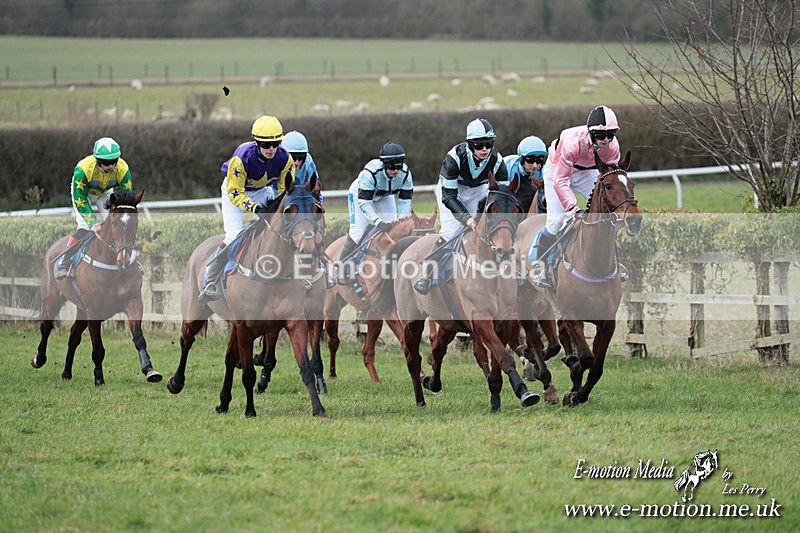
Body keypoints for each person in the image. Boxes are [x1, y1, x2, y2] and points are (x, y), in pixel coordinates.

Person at [198, 115, 295, 303]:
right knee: (234, 236)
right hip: (234, 191)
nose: (271, 149)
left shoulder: (285, 159)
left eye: (275, 144)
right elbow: (235, 192)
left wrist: (277, 208)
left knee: (281, 227)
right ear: (257, 142)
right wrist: (255, 208)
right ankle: (210, 280)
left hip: (262, 191)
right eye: (266, 145)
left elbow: (285, 191)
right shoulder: (242, 158)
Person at [413, 118, 509, 295]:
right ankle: (426, 275)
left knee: (489, 228)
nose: (485, 150)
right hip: (452, 192)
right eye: (479, 145)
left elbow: (503, 194)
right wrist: (467, 219)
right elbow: (449, 197)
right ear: (469, 144)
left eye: (488, 144)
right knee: (451, 232)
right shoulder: (454, 158)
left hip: (479, 190)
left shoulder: (497, 159)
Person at [533, 105, 621, 288]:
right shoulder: (573, 142)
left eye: (610, 135)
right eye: (600, 135)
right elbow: (560, 180)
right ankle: (539, 266)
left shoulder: (613, 146)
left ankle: (613, 260)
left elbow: (611, 178)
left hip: (585, 171)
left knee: (606, 211)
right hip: (557, 171)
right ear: (591, 132)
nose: (605, 140)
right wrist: (573, 208)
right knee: (556, 221)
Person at [335, 141, 413, 284]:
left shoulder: (405, 174)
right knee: (357, 232)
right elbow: (364, 203)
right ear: (384, 164)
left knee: (394, 228)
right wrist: (377, 222)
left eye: (399, 165)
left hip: (384, 195)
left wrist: (403, 221)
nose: (396, 170)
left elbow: (405, 201)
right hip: (361, 195)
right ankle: (340, 268)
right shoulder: (370, 173)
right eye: (391, 166)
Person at [55, 137, 133, 279]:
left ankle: (125, 257)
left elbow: (125, 196)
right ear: (97, 160)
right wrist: (92, 222)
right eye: (106, 162)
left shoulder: (123, 169)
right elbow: (80, 199)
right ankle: (64, 262)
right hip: (83, 195)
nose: (110, 165)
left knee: (118, 223)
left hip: (104, 194)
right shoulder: (83, 169)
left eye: (114, 161)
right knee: (85, 227)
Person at [503, 135, 548, 215]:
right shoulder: (507, 166)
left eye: (539, 161)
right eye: (530, 160)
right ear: (521, 158)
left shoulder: (544, 172)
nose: (535, 166)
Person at [282, 130, 322, 196]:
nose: (297, 163)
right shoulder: (275, 161)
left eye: (301, 157)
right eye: (293, 158)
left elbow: (316, 192)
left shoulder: (308, 163)